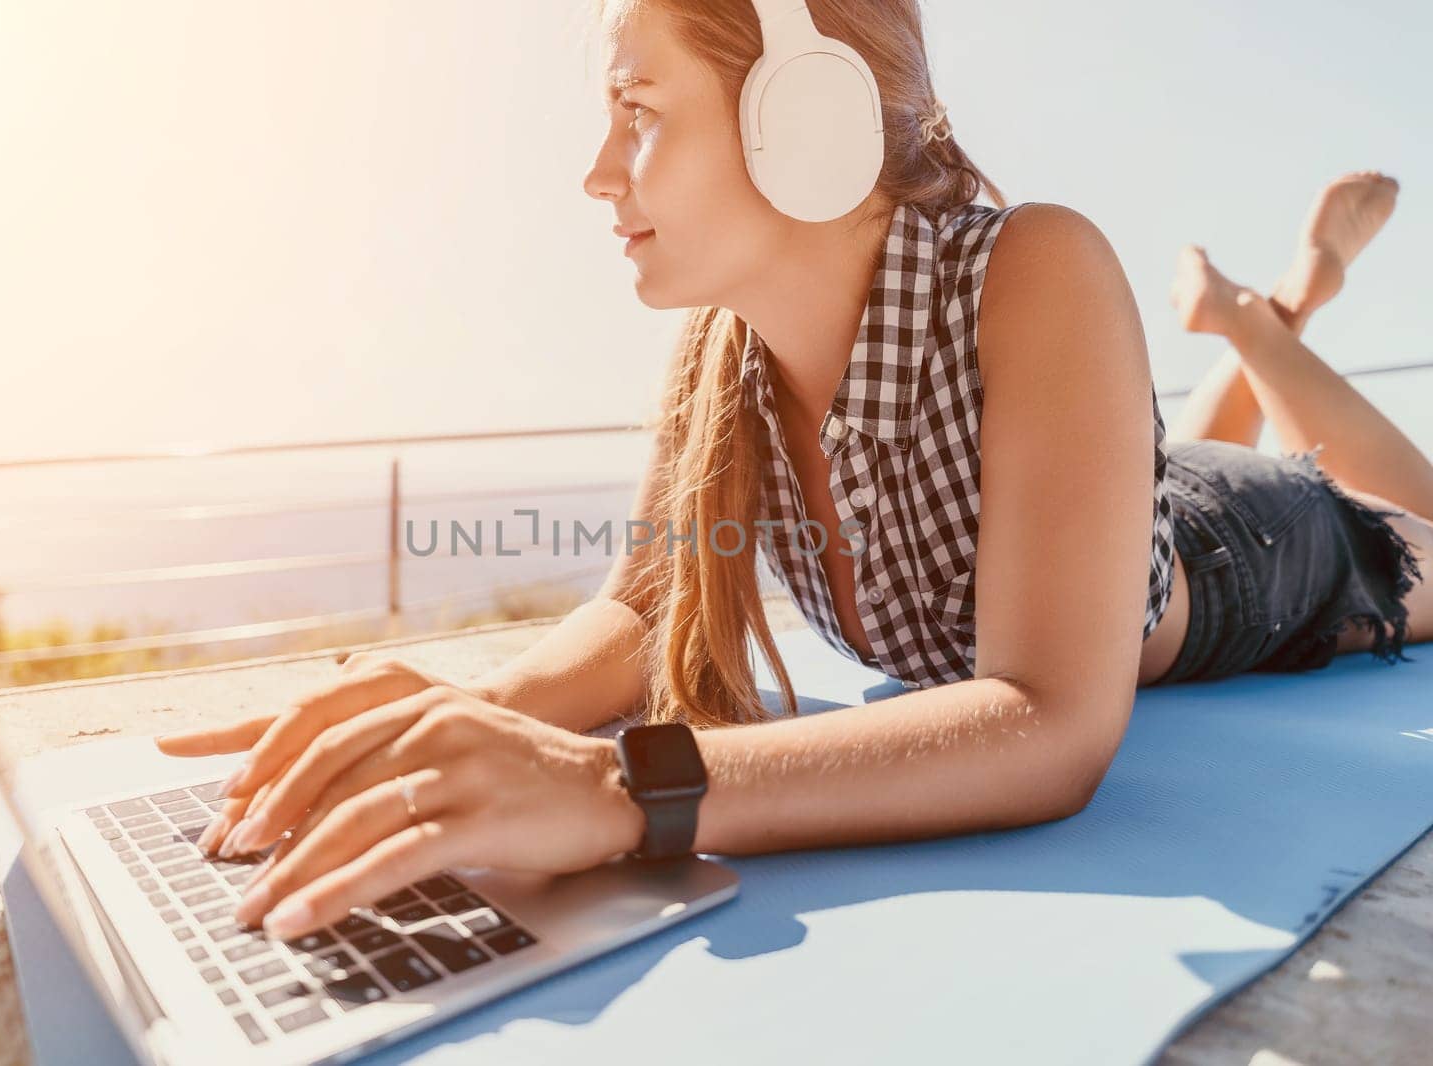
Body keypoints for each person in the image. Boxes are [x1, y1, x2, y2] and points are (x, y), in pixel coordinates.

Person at [153, 0, 1430, 941]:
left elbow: (1049, 717)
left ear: (800, 123)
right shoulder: (728, 352)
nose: (596, 174)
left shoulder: (1035, 268)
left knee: (1391, 512)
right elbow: (648, 605)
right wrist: (474, 709)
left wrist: (613, 789)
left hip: (1259, 555)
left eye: (638, 115)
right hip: (1131, 501)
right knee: (1183, 453)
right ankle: (1266, 317)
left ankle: (1273, 310)